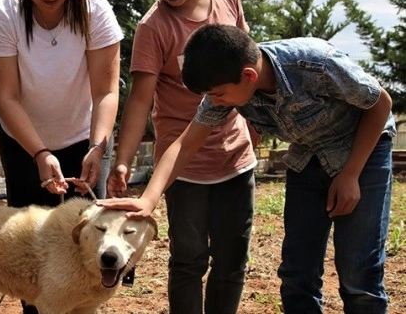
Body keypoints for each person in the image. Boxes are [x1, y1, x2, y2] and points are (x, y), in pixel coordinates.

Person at [102, 23, 396, 313]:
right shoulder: (228, 84)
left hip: (364, 149)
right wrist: (148, 199)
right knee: (297, 274)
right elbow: (184, 145)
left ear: (249, 76)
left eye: (217, 95)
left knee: (359, 272)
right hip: (308, 155)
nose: (214, 102)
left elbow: (380, 104)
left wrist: (351, 174)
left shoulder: (316, 64)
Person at [106, 0, 257, 314]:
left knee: (232, 261)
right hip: (181, 164)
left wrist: (255, 126)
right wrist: (123, 160)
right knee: (189, 260)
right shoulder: (153, 27)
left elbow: (248, 63)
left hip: (235, 156)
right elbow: (140, 100)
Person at [0, 0, 123, 313]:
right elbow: (6, 97)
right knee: (32, 248)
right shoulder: (4, 17)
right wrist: (41, 153)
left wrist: (98, 145)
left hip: (85, 138)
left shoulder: (97, 13)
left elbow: (106, 91)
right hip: (24, 144)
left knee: (90, 239)